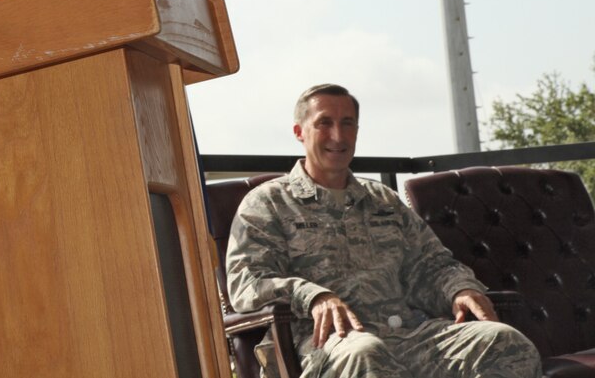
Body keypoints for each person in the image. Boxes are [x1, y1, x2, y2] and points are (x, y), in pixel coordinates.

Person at [225, 84, 541, 378]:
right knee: (366, 353)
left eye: (347, 123)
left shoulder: (383, 200)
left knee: (506, 343)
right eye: (324, 123)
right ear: (299, 132)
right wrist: (313, 296)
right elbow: (246, 282)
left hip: (408, 336)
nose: (338, 135)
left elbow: (432, 264)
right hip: (323, 345)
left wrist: (459, 290)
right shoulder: (268, 202)